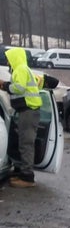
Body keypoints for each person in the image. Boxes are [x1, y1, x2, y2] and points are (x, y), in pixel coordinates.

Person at [0, 46, 44, 188]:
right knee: (23, 142)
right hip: (27, 110)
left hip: (28, 111)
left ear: (14, 58)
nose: (7, 62)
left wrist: (4, 85)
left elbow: (19, 87)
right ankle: (22, 171)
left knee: (26, 143)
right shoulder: (23, 69)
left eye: (8, 59)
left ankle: (27, 177)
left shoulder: (20, 69)